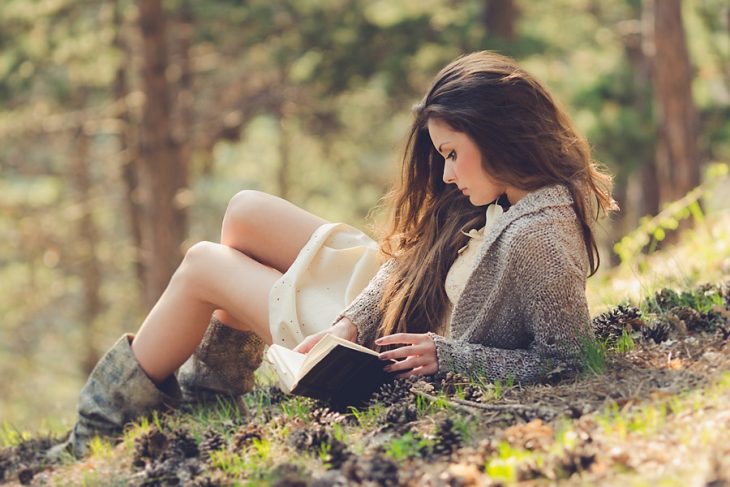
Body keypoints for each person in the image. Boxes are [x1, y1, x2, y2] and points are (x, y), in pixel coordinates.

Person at [53, 50, 615, 458]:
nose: (444, 173)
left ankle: (94, 431)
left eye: (451, 153)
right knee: (244, 211)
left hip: (393, 347)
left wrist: (450, 357)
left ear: (498, 134)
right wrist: (349, 321)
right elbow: (410, 264)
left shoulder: (537, 235)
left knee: (204, 265)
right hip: (389, 295)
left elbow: (567, 360)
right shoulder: (498, 195)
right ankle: (212, 392)